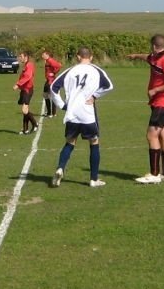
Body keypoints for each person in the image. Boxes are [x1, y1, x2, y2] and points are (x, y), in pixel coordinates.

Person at [48, 47, 114, 188]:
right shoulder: (96, 70)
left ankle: (60, 168)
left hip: (72, 113)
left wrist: (62, 105)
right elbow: (109, 86)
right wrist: (95, 96)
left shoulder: (70, 71)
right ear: (91, 57)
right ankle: (93, 179)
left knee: (70, 142)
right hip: (87, 113)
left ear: (78, 57)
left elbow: (53, 87)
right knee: (94, 142)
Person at [128, 34, 164, 184]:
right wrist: (136, 56)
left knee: (151, 135)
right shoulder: (156, 57)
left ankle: (154, 174)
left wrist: (155, 90)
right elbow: (148, 57)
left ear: (154, 46)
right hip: (161, 103)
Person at [14, 51, 39, 135]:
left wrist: (18, 84)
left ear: (26, 57)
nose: (20, 58)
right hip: (24, 90)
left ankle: (35, 124)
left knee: (24, 110)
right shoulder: (26, 65)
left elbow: (28, 77)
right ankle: (25, 129)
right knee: (25, 110)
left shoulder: (29, 65)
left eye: (21, 56)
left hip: (28, 90)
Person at [41, 50, 62, 117]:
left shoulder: (50, 60)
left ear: (47, 55)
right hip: (48, 80)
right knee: (45, 95)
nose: (42, 56)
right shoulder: (47, 61)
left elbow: (58, 66)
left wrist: (53, 73)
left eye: (43, 54)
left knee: (50, 96)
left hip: (51, 80)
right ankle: (51, 112)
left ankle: (51, 113)